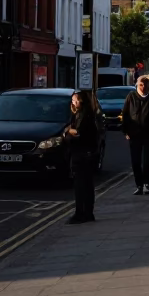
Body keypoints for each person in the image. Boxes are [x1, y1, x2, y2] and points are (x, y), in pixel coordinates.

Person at [64, 90, 99, 223]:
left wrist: (67, 132)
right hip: (85, 153)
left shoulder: (84, 115)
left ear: (82, 101)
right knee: (87, 185)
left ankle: (81, 213)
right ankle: (88, 213)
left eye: (76, 100)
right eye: (72, 101)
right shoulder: (80, 114)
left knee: (81, 185)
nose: (73, 103)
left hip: (82, 153)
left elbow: (78, 134)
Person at [121, 77, 149, 195]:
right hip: (134, 134)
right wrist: (125, 131)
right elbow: (125, 114)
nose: (143, 88)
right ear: (137, 85)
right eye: (141, 85)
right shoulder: (131, 97)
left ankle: (146, 183)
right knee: (136, 161)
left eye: (145, 85)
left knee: (147, 160)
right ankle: (139, 184)